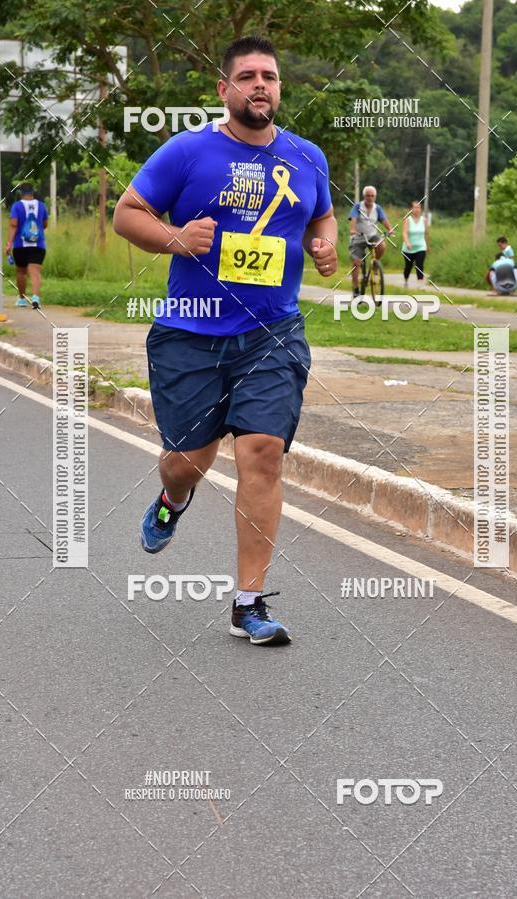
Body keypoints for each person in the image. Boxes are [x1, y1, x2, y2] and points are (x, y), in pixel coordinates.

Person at [113, 35, 337, 647]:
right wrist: (176, 239)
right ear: (225, 89)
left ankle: (248, 602)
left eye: (270, 75)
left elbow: (320, 215)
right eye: (248, 76)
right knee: (188, 460)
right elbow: (127, 213)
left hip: (273, 334)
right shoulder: (187, 152)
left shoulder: (306, 157)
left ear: (279, 87)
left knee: (262, 450)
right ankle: (171, 498)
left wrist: (324, 245)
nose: (260, 84)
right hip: (190, 332)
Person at [5, 183, 48, 309]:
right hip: (38, 244)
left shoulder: (17, 206)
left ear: (20, 193)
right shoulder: (41, 206)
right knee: (35, 271)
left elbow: (14, 224)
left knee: (21, 272)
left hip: (20, 245)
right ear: (33, 193)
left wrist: (9, 243)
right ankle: (35, 298)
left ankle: (22, 299)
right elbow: (44, 224)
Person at [349, 186, 393, 297]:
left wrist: (390, 230)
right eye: (368, 195)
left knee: (382, 245)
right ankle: (355, 289)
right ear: (364, 196)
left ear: (375, 197)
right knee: (356, 263)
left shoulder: (377, 208)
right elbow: (353, 219)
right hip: (358, 237)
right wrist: (352, 230)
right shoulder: (358, 207)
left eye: (372, 196)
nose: (370, 198)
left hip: (372, 235)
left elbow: (384, 220)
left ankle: (375, 264)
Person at [402, 201, 429, 288]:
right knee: (408, 266)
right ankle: (406, 280)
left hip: (421, 247)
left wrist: (427, 246)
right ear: (411, 209)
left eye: (418, 208)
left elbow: (426, 234)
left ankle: (420, 284)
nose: (417, 210)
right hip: (408, 248)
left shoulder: (424, 220)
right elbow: (404, 233)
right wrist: (407, 243)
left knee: (419, 264)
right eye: (415, 208)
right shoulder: (407, 220)